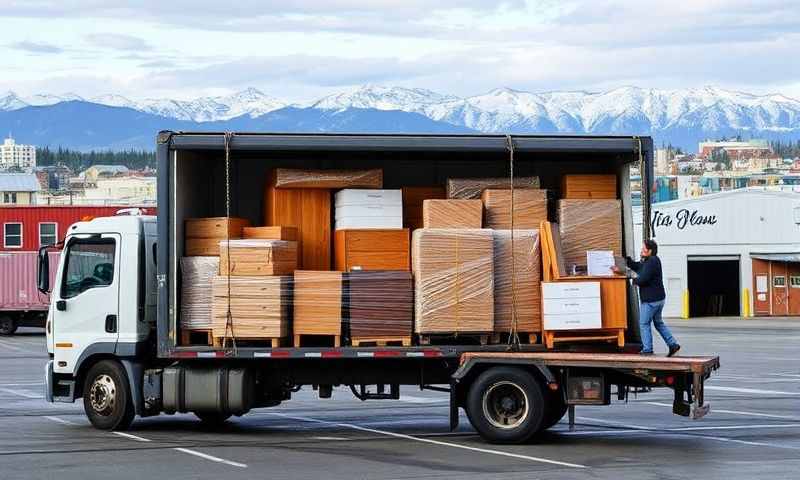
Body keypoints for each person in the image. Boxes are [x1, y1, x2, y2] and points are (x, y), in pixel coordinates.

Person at [612, 239, 680, 357]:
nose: (641, 251)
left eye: (644, 249)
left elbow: (642, 278)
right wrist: (626, 261)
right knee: (658, 323)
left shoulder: (652, 262)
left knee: (644, 323)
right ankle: (673, 344)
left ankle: (647, 349)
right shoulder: (649, 261)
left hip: (651, 300)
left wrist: (626, 274)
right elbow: (638, 266)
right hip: (658, 299)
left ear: (650, 251)